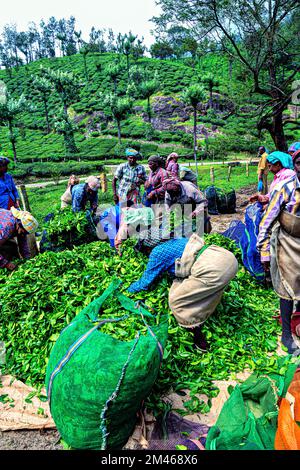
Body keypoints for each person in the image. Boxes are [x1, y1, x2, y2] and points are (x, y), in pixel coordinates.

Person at [128, 234, 238, 351]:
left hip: (214, 269)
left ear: (149, 246)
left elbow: (145, 282)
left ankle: (196, 334)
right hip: (226, 258)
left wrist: (129, 290)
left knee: (176, 300)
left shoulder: (157, 252)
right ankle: (208, 314)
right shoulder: (179, 239)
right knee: (208, 290)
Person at [257, 170, 300, 355]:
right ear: (295, 165)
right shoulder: (286, 187)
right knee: (287, 288)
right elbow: (266, 220)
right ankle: (286, 336)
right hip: (288, 241)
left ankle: (296, 320)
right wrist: (264, 251)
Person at [0, 207, 38, 271]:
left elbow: (23, 243)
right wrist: (6, 263)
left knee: (12, 247)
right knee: (7, 249)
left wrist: (27, 260)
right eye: (24, 232)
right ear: (19, 225)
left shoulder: (19, 222)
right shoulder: (6, 228)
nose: (23, 234)